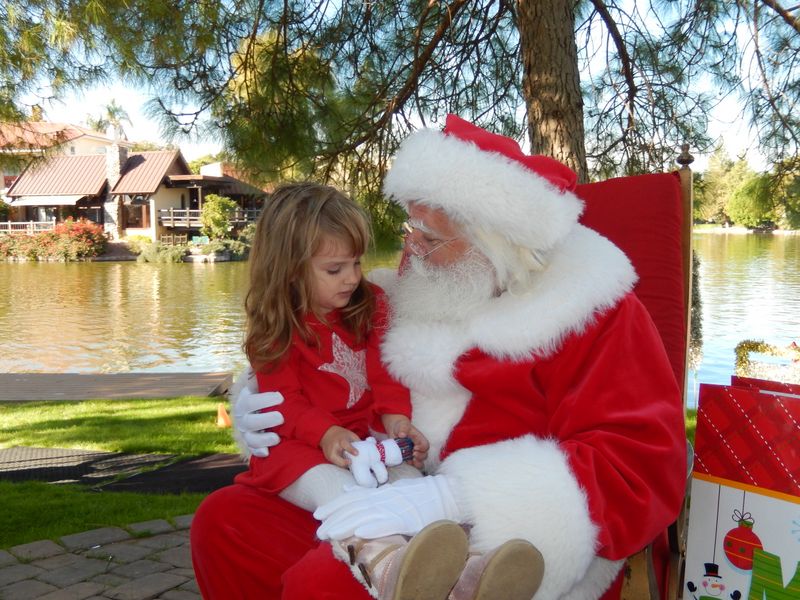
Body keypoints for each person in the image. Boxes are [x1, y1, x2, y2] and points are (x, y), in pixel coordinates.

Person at [191, 115, 687, 600]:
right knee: (225, 523)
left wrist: (451, 497)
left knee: (323, 584)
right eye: (413, 228)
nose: (412, 247)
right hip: (389, 476)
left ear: (492, 243)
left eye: (430, 237)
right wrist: (260, 402)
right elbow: (332, 350)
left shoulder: (593, 309)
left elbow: (638, 464)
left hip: (506, 528)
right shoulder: (434, 279)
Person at [234, 182, 428, 512]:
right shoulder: (276, 327)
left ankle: (452, 557)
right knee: (342, 495)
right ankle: (380, 558)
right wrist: (326, 434)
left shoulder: (372, 304)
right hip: (298, 448)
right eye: (335, 269)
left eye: (356, 263)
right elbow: (284, 404)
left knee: (415, 488)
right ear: (290, 270)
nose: (352, 278)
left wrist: (398, 423)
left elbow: (385, 374)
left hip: (362, 441)